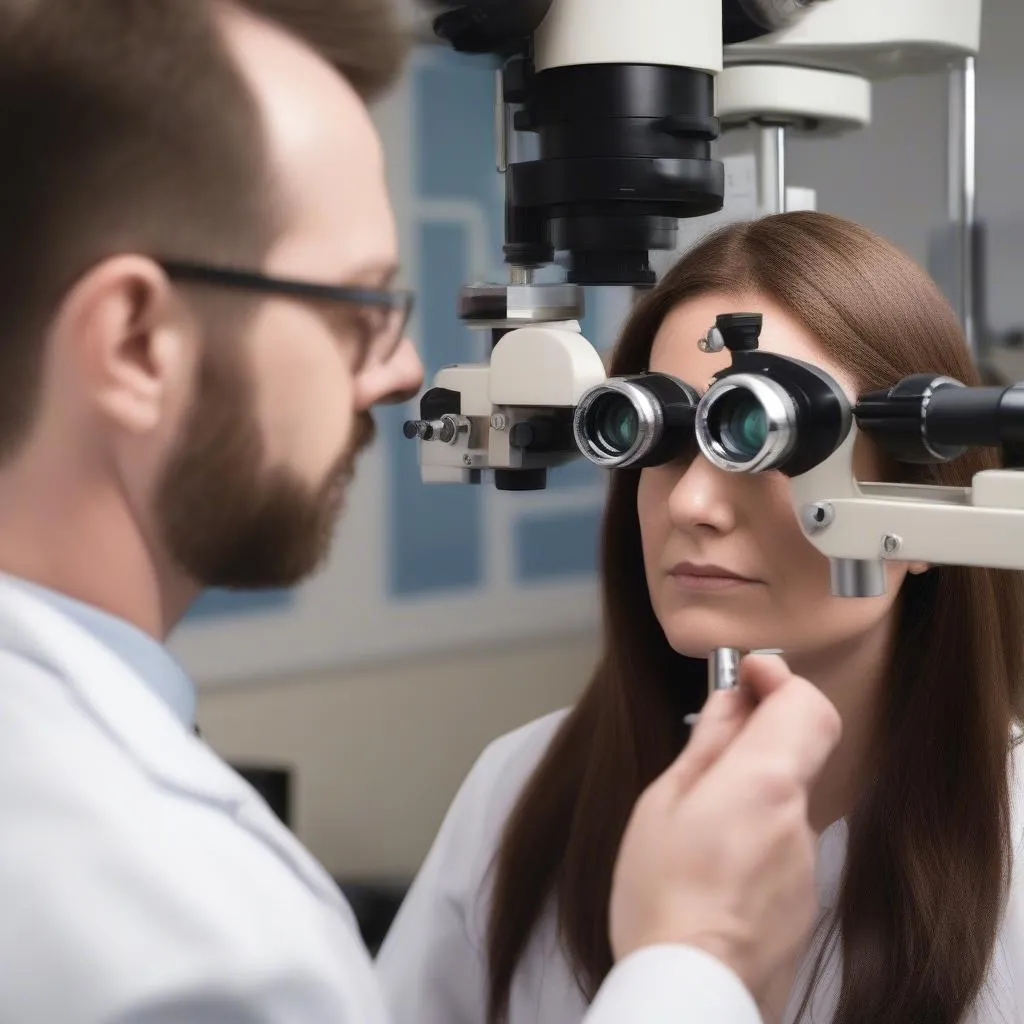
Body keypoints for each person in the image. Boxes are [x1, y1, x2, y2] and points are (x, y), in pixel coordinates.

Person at [0, 1, 842, 1022]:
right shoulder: (180, 938)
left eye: (745, 431)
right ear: (136, 342)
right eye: (357, 307)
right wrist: (696, 961)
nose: (402, 371)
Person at [375, 210, 1024, 1024]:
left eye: (758, 438)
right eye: (664, 440)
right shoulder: (520, 789)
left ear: (927, 498)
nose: (690, 502)